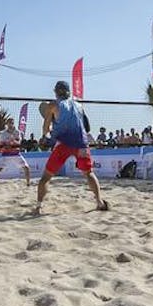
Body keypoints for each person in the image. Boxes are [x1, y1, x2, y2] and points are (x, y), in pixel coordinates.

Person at [35, 80, 108, 214]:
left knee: (46, 177)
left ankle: (38, 207)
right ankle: (99, 202)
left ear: (56, 92)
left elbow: (45, 129)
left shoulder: (53, 105)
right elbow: (88, 127)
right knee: (89, 174)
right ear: (69, 91)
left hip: (63, 144)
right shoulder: (79, 106)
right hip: (81, 144)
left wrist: (48, 135)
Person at [0, 119, 31, 188]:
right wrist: (8, 143)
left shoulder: (17, 132)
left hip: (16, 154)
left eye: (12, 123)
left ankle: (28, 183)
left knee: (26, 167)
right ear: (7, 124)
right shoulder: (3, 133)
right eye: (9, 123)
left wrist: (13, 140)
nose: (11, 124)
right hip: (6, 154)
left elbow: (19, 143)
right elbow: (1, 144)